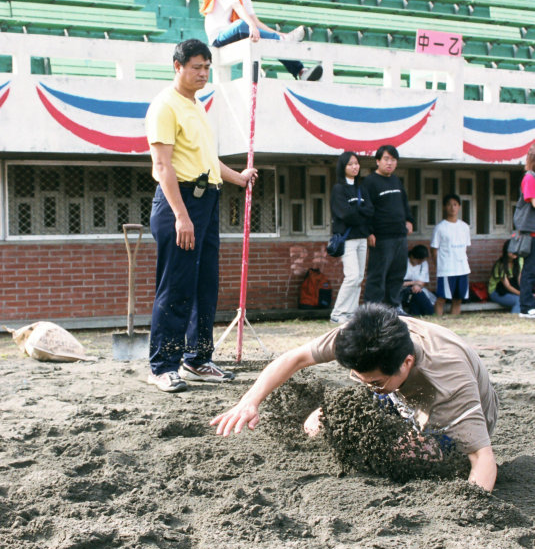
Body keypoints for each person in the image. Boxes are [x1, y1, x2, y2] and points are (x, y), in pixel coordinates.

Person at [211, 303, 498, 492]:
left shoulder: (450, 381)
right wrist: (249, 401)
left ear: (406, 363)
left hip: (444, 414)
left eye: (374, 382)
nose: (367, 386)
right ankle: (388, 400)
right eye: (360, 379)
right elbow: (295, 357)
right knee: (320, 424)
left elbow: (483, 459)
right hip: (401, 391)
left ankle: (415, 435)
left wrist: (470, 506)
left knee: (405, 454)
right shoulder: (362, 336)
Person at [145, 38, 258, 392]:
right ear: (177, 66)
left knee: (206, 285)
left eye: (207, 67)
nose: (203, 73)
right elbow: (163, 166)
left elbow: (207, 160)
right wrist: (181, 216)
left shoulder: (197, 106)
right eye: (196, 67)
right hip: (179, 202)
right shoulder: (165, 106)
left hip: (206, 202)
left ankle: (197, 358)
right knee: (176, 286)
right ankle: (162, 366)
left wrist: (238, 178)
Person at [200, 0, 323, 82]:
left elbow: (256, 21)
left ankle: (301, 71)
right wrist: (252, 26)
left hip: (235, 33)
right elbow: (237, 7)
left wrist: (278, 34)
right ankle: (283, 41)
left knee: (270, 41)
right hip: (219, 37)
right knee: (243, 25)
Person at [362, 145, 413, 309]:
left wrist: (409, 220)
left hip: (400, 235)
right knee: (377, 275)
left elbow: (404, 203)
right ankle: (372, 310)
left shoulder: (396, 180)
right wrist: (369, 232)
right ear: (378, 161)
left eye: (393, 160)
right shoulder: (369, 182)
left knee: (397, 274)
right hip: (381, 237)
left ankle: (394, 307)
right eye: (386, 159)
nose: (389, 163)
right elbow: (365, 209)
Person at [329, 151, 373, 324]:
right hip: (347, 239)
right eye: (350, 164)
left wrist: (357, 211)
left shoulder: (361, 187)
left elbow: (370, 210)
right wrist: (360, 212)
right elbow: (345, 214)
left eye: (356, 163)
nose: (355, 167)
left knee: (359, 277)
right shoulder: (338, 189)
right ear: (343, 167)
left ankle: (351, 314)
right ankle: (338, 313)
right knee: (352, 276)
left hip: (362, 238)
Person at [431, 193, 471, 316]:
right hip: (446, 269)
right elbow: (434, 249)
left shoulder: (464, 226)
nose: (452, 208)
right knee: (442, 298)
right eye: (449, 205)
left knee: (458, 299)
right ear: (444, 207)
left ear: (459, 207)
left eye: (455, 204)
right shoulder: (440, 227)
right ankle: (437, 322)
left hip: (462, 268)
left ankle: (454, 323)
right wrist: (439, 266)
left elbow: (466, 248)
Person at [518, 142, 535, 318]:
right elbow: (533, 201)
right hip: (531, 234)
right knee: (529, 270)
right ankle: (526, 307)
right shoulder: (530, 177)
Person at [487, 241, 523, 314]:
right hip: (497, 292)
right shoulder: (501, 265)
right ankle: (515, 320)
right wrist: (522, 294)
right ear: (506, 251)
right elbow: (507, 286)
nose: (515, 252)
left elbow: (520, 280)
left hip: (513, 289)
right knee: (519, 300)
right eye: (512, 250)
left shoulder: (520, 260)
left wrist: (526, 292)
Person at [400, 244, 436, 316]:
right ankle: (430, 313)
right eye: (418, 260)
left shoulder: (423, 264)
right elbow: (397, 283)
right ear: (412, 257)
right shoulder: (403, 262)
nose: (420, 262)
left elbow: (423, 281)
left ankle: (416, 314)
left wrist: (417, 285)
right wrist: (413, 283)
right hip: (402, 290)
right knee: (417, 293)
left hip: (416, 289)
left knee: (417, 293)